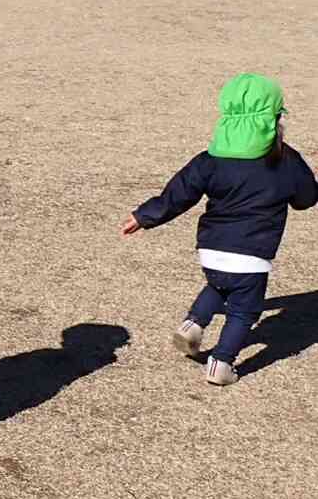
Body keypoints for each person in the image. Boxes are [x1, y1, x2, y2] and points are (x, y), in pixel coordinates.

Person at [122, 73, 317, 385]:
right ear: (274, 120)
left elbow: (178, 193)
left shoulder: (209, 159)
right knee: (244, 311)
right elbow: (307, 199)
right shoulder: (285, 158)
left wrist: (144, 216)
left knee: (220, 284)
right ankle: (221, 363)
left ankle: (193, 324)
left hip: (211, 250)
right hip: (251, 254)